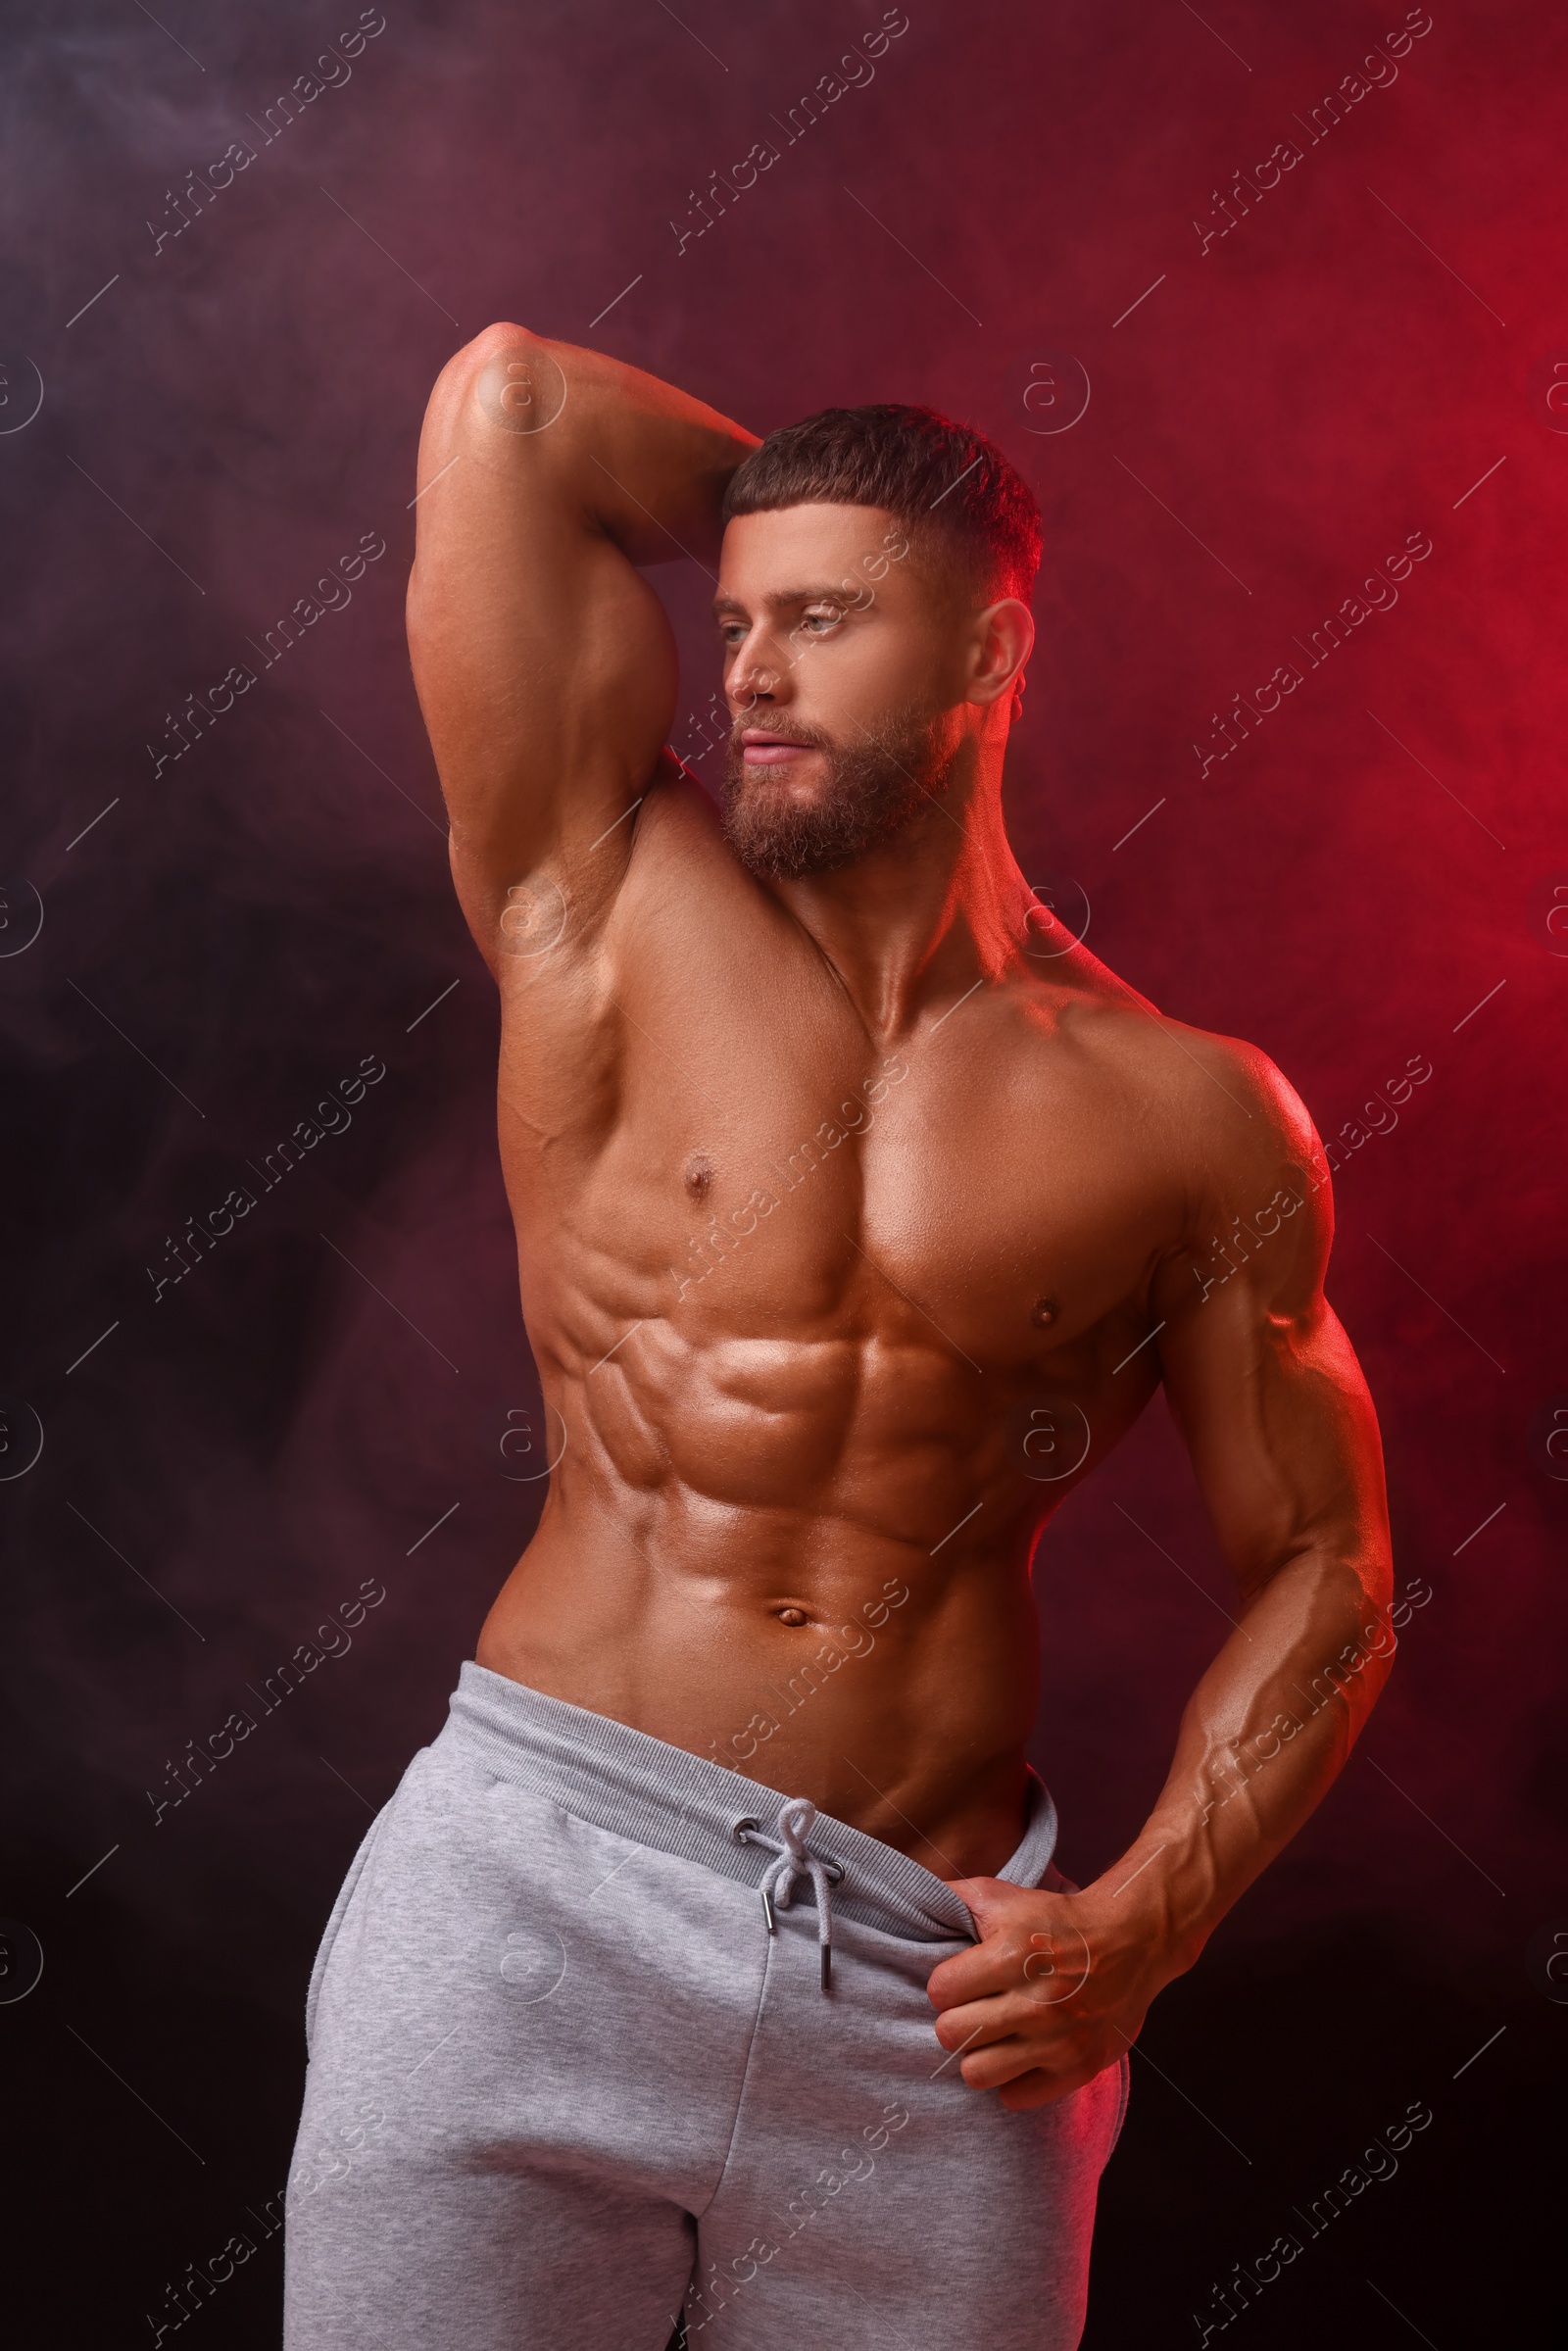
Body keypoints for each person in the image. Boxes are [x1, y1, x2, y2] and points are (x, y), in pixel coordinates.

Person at [283, 326, 1395, 2350]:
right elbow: (511, 403)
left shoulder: (1181, 1111)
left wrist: (1148, 1919)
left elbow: (1326, 1564)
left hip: (926, 1995)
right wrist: (832, 521)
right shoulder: (598, 900)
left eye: (823, 622)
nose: (750, 675)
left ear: (987, 660)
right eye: (733, 621)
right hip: (530, 1902)